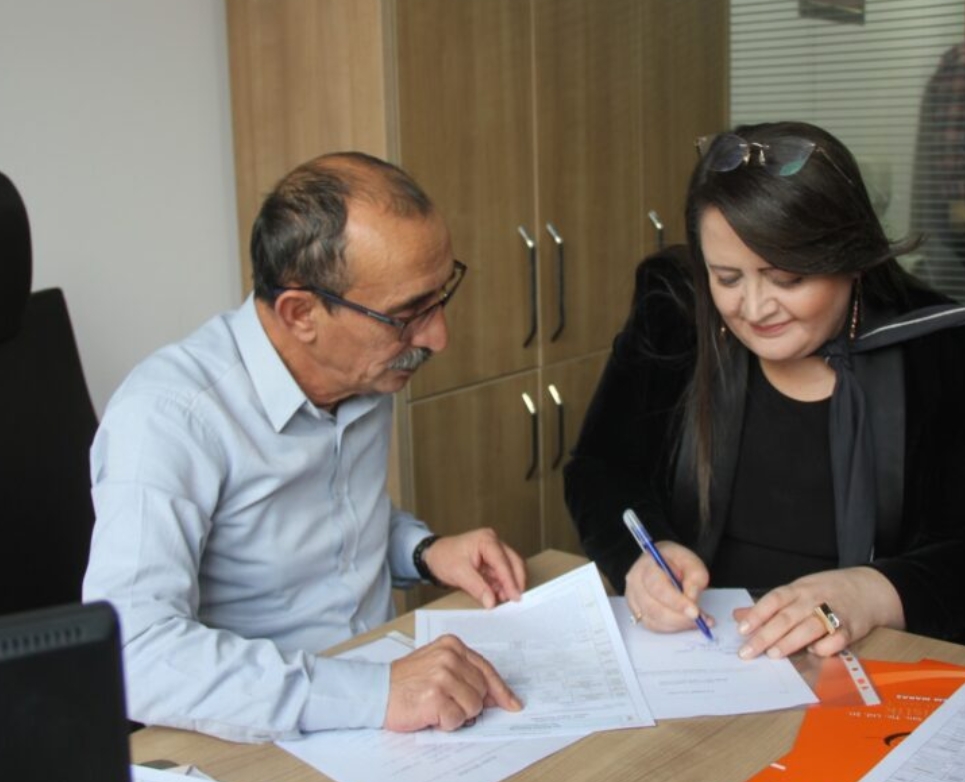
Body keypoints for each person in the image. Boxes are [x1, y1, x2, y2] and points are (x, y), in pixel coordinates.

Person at [83, 151, 527, 743]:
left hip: (387, 696)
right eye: (407, 315)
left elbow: (324, 524)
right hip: (260, 734)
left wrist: (424, 552)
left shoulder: (365, 371)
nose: (438, 337)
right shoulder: (170, 417)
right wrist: (376, 694)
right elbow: (134, 652)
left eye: (440, 297)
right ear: (300, 314)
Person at [565, 121, 965, 663]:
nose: (754, 310)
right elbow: (601, 469)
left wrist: (874, 592)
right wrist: (644, 556)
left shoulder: (938, 349)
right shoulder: (676, 318)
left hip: (872, 662)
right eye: (728, 278)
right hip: (705, 655)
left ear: (850, 257)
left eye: (787, 279)